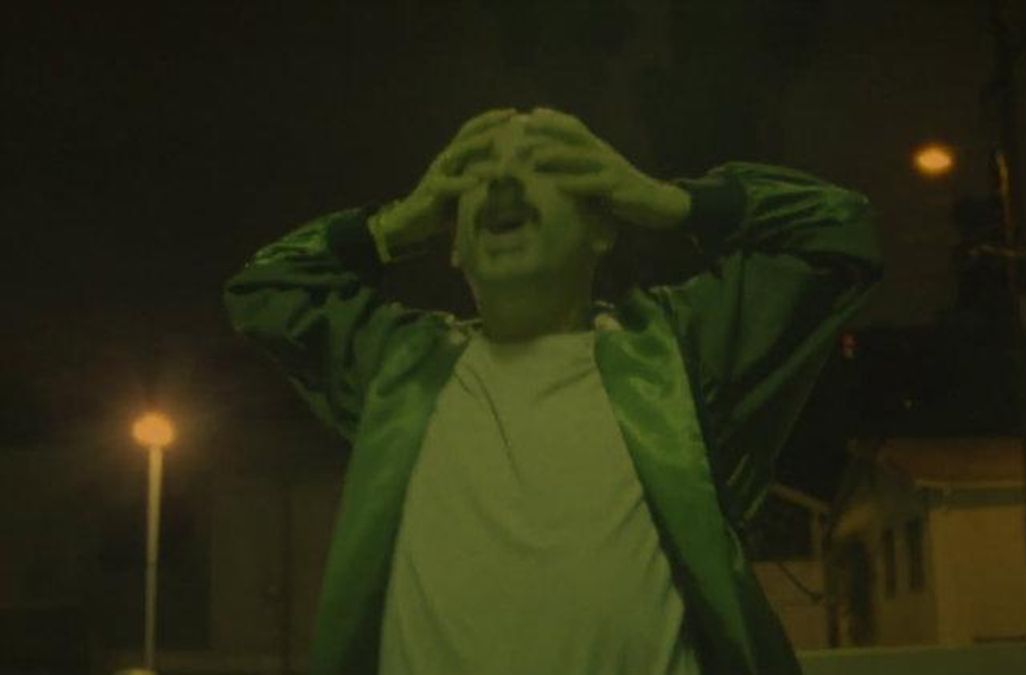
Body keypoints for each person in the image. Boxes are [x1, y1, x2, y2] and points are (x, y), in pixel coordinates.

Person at [224, 107, 882, 675]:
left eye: (542, 165)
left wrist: (667, 201)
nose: (502, 182)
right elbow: (264, 291)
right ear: (453, 244)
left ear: (603, 224)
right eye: (474, 175)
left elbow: (838, 231)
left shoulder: (675, 362)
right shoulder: (400, 371)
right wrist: (392, 226)